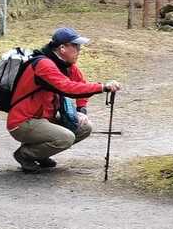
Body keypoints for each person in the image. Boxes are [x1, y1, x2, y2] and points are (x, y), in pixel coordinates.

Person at [6, 26, 122, 173]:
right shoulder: (44, 65)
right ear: (62, 48)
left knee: (84, 128)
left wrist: (81, 110)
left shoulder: (67, 65)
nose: (79, 50)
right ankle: (25, 155)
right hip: (23, 122)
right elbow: (68, 88)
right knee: (66, 138)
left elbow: (81, 85)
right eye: (76, 46)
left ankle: (40, 154)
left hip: (44, 119)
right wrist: (102, 87)